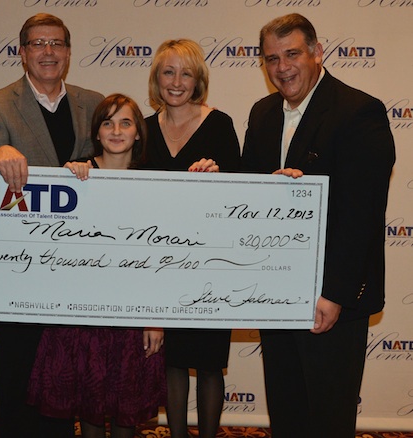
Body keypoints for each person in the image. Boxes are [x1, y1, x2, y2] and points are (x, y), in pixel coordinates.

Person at [241, 13, 395, 438]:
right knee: (287, 413)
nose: (282, 67)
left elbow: (361, 216)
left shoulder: (359, 111)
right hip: (273, 293)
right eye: (271, 58)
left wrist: (334, 293)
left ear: (317, 52)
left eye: (292, 54)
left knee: (328, 418)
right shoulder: (263, 112)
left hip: (330, 300)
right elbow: (247, 196)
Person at [0, 12, 104, 438]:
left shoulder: (94, 102)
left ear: (67, 52)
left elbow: (115, 165)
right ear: (22, 52)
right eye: (37, 44)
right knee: (18, 374)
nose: (48, 52)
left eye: (56, 44)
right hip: (20, 270)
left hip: (78, 269)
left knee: (64, 377)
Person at [28, 93, 166, 438]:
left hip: (134, 316)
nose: (116, 130)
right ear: (97, 132)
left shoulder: (159, 185)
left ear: (139, 133)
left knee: (126, 417)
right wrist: (66, 177)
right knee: (88, 410)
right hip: (81, 317)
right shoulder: (75, 175)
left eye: (126, 122)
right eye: (107, 123)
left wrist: (155, 317)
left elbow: (162, 260)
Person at [145, 39, 241, 438]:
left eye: (187, 73)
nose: (177, 81)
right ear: (157, 78)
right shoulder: (143, 129)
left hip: (210, 266)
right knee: (171, 360)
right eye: (169, 72)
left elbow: (242, 195)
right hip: (158, 264)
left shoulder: (220, 124)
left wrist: (218, 178)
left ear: (199, 79)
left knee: (207, 361)